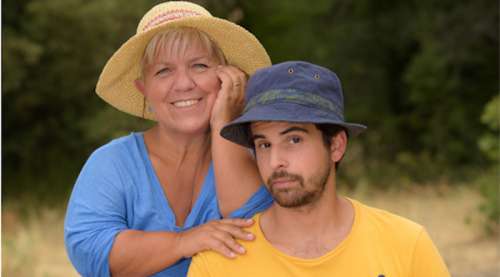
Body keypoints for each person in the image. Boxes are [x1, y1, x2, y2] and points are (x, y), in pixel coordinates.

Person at [64, 1, 274, 276]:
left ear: (226, 76)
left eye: (199, 66)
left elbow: (262, 230)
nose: (184, 83)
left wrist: (224, 121)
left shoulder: (255, 155)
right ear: (144, 89)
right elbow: (89, 249)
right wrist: (185, 241)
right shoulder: (112, 162)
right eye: (164, 71)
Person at [188, 61, 451, 276]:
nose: (275, 160)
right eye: (264, 145)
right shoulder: (219, 264)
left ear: (336, 145)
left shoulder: (405, 245)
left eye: (294, 140)